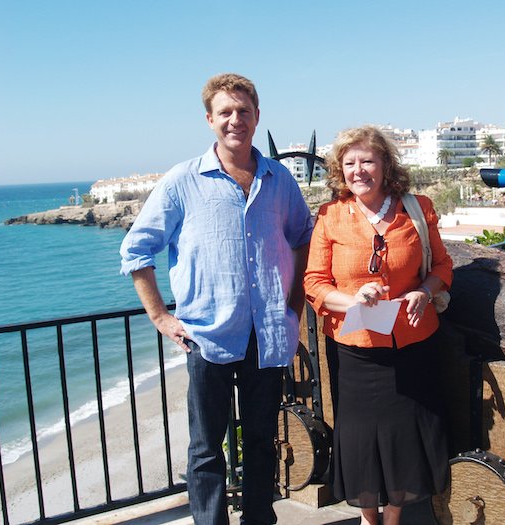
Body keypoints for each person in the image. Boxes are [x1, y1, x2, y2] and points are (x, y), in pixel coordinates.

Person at [120, 73, 313, 525]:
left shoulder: (279, 178)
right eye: (225, 112)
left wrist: (294, 301)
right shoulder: (181, 181)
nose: (235, 120)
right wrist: (160, 316)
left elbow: (304, 236)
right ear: (210, 119)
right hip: (207, 337)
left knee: (263, 439)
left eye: (244, 111)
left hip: (267, 337)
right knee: (206, 448)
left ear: (257, 117)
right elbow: (136, 250)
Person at [304, 126, 452, 525]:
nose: (359, 170)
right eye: (349, 163)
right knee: (360, 440)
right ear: (340, 171)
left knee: (404, 434)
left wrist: (424, 290)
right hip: (356, 350)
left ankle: (394, 518)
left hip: (413, 343)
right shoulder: (330, 216)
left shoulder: (417, 207)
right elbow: (314, 282)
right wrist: (352, 300)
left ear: (385, 165)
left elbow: (441, 265)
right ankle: (371, 519)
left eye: (367, 160)